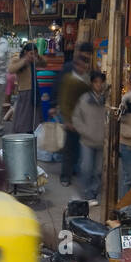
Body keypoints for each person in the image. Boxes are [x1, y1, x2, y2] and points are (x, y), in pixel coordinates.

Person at [72, 70, 108, 203]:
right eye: (96, 82)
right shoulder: (84, 99)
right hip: (87, 140)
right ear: (92, 83)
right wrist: (84, 130)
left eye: (101, 82)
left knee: (98, 170)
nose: (99, 85)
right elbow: (76, 118)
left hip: (101, 141)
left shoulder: (107, 101)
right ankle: (85, 193)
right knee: (86, 168)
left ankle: (92, 194)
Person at [56, 53, 91, 187]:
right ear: (76, 66)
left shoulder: (87, 79)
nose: (84, 68)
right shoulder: (69, 79)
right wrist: (68, 120)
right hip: (72, 119)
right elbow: (65, 102)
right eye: (82, 66)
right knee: (69, 150)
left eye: (85, 66)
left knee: (78, 149)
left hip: (83, 119)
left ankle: (74, 171)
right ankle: (65, 176)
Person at [7, 43, 41, 136]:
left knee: (33, 115)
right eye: (31, 53)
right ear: (26, 52)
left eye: (35, 53)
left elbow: (44, 63)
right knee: (23, 116)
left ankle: (31, 132)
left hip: (34, 90)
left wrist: (38, 57)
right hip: (25, 91)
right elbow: (10, 69)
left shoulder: (34, 60)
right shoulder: (17, 59)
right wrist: (24, 60)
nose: (33, 55)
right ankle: (21, 134)